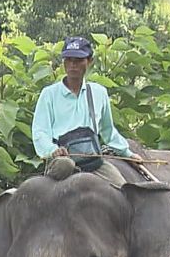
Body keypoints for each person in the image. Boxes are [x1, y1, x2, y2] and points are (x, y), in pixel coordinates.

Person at [31, 36, 136, 186]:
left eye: (78, 60)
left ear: (89, 61)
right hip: (62, 160)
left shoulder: (99, 93)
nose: (73, 65)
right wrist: (52, 150)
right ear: (64, 63)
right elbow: (40, 132)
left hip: (92, 161)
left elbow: (108, 131)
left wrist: (129, 154)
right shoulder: (49, 94)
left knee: (124, 189)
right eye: (69, 60)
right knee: (65, 166)